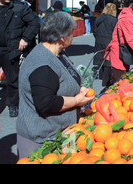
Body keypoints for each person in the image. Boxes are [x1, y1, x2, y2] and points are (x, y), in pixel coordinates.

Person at [16, 11, 94, 159]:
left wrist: (78, 89)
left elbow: (63, 80)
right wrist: (77, 101)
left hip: (64, 132)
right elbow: (46, 103)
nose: (73, 35)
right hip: (42, 138)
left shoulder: (58, 53)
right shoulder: (42, 64)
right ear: (62, 37)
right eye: (71, 32)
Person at [0, 0, 40, 117]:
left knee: (13, 80)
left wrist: (26, 38)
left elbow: (35, 22)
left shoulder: (19, 7)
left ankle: (13, 104)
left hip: (11, 49)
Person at [93, 3, 118, 87]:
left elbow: (95, 31)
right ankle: (106, 80)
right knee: (108, 60)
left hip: (99, 40)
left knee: (101, 58)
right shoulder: (114, 20)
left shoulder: (99, 18)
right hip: (109, 41)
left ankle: (103, 75)